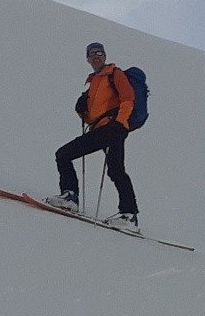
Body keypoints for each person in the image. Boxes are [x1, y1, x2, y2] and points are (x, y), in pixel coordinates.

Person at [48, 42, 140, 231]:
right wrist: (82, 111)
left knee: (115, 170)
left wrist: (120, 123)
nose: (96, 56)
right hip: (100, 130)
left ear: (105, 56)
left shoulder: (116, 74)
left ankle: (129, 215)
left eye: (100, 53)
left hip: (114, 128)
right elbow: (94, 115)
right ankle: (70, 197)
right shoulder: (93, 82)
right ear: (88, 59)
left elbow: (128, 99)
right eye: (92, 54)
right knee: (64, 155)